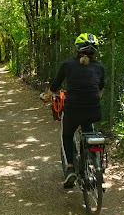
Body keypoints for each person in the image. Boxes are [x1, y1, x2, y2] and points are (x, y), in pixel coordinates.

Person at [42, 33, 105, 188]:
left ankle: (70, 168)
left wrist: (46, 97)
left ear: (77, 49)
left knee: (67, 134)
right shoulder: (99, 67)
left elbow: (54, 86)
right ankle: (92, 164)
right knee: (88, 130)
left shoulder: (68, 65)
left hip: (72, 110)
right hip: (94, 110)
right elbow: (100, 91)